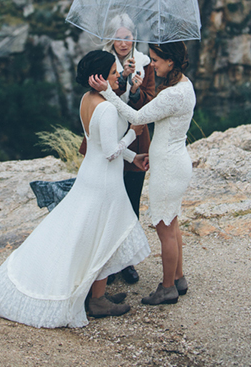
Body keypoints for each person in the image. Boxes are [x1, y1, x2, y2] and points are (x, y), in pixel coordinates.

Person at [0, 50, 151, 326]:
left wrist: (134, 157)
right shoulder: (106, 108)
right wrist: (134, 132)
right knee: (104, 236)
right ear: (99, 77)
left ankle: (97, 295)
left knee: (97, 235)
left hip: (91, 176)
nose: (117, 76)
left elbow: (96, 144)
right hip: (104, 183)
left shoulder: (88, 99)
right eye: (112, 73)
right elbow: (109, 150)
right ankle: (96, 300)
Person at [89, 41, 195, 306]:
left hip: (169, 167)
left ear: (170, 62)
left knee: (164, 228)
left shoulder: (172, 94)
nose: (152, 65)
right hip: (174, 159)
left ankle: (168, 287)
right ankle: (179, 278)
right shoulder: (185, 85)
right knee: (172, 221)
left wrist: (109, 95)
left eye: (156, 60)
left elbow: (137, 117)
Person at [90, 15, 157, 285]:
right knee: (106, 203)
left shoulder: (146, 64)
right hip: (109, 137)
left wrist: (137, 91)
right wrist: (120, 82)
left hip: (135, 142)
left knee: (130, 200)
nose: (122, 43)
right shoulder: (102, 63)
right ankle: (105, 261)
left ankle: (126, 261)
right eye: (117, 37)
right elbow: (98, 100)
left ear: (134, 38)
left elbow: (150, 102)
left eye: (127, 37)